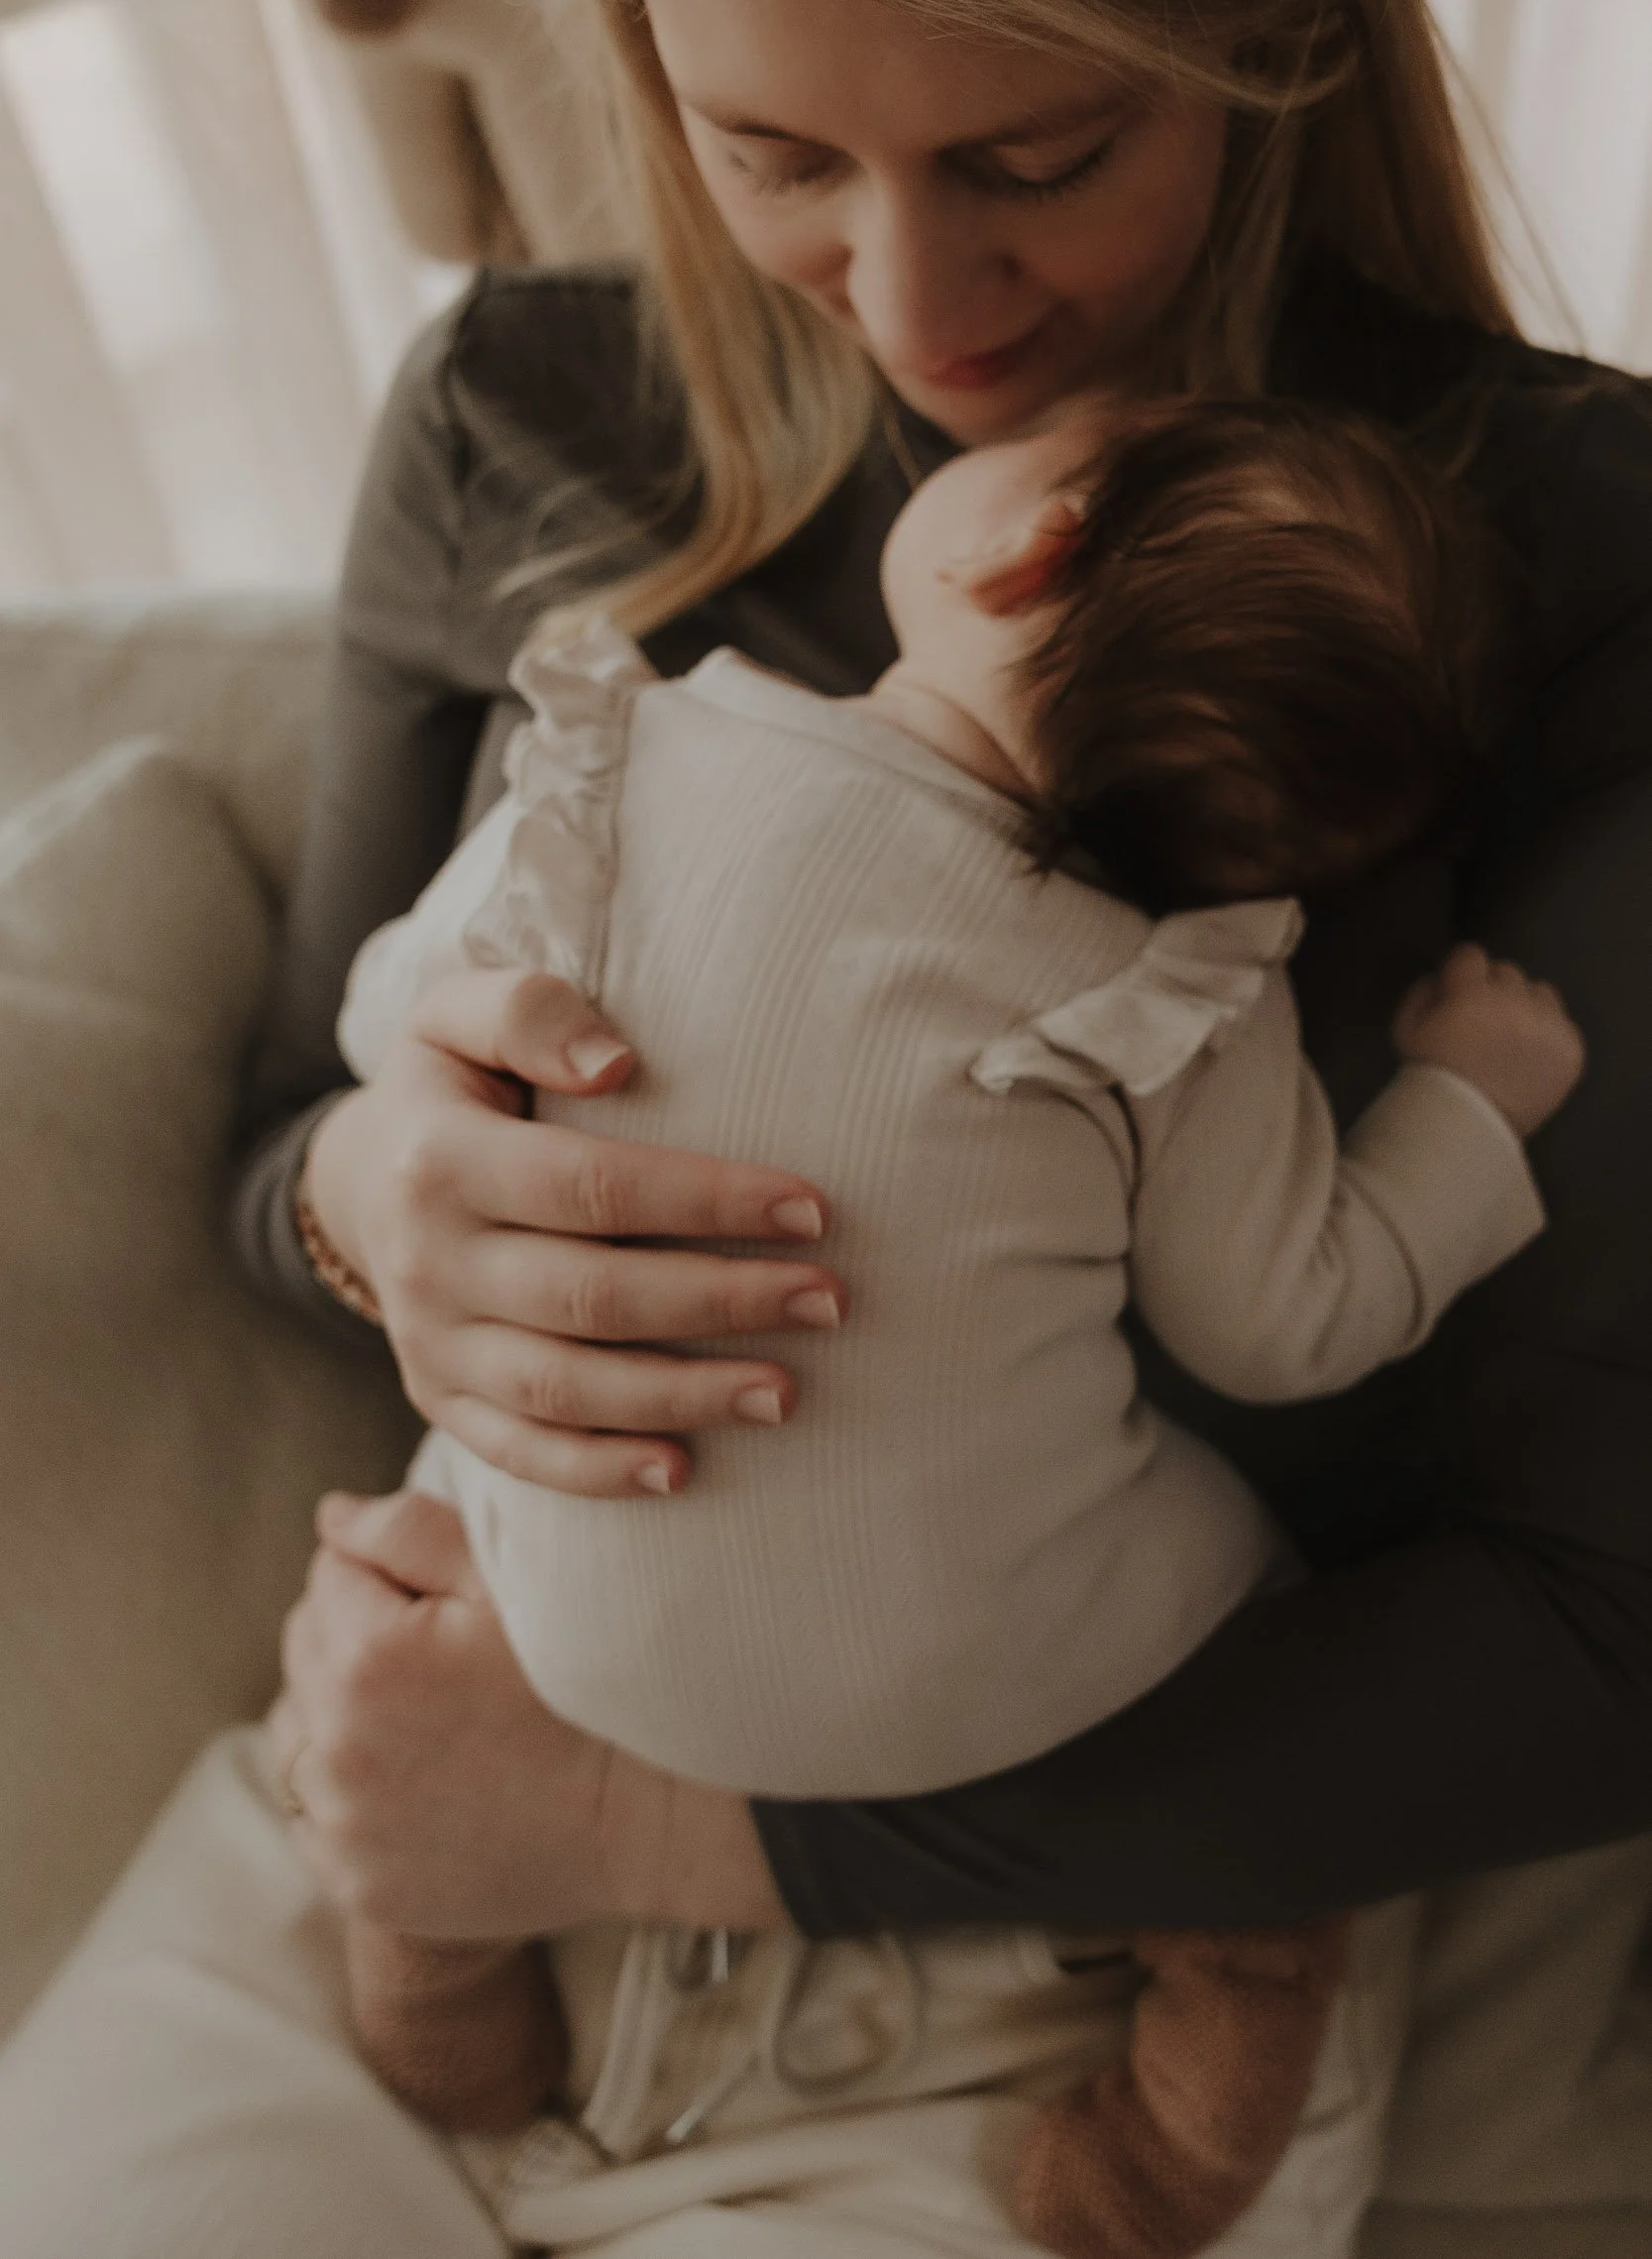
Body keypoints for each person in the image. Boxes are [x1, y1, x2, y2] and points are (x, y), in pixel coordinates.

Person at [0, 0, 1648, 2254]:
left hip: (1072, 1977)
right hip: (387, 1802)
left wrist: (662, 1830)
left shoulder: (1530, 551)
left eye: (1038, 149)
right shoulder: (511, 425)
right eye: (770, 152)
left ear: (1260, 20)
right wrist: (378, 1198)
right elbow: (262, 1158)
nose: (914, 306)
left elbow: (1595, 1614)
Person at [332, 391, 1584, 2259]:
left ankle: (423, 1932)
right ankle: (1204, 2058)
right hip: (1004, 1709)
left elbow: (392, 1004)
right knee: (1267, 1606)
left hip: (569, 1644)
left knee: (447, 1466)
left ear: (1023, 542)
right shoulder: (1168, 993)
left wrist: (395, 1128)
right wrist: (1469, 1104)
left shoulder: (627, 768)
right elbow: (1291, 1325)